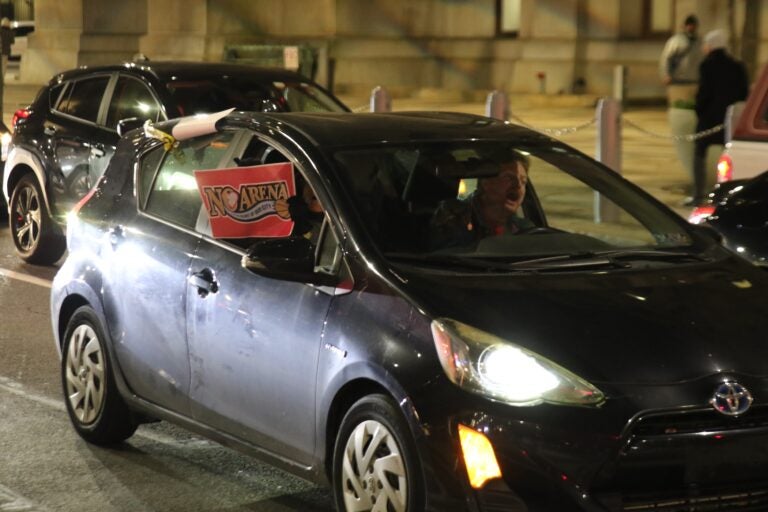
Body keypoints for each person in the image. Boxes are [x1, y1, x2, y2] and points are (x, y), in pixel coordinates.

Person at [686, 29, 749, 206]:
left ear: (711, 46)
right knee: (728, 156)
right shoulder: (737, 66)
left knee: (699, 153)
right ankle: (726, 194)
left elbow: (703, 93)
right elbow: (743, 93)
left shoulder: (707, 65)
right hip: (729, 118)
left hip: (708, 118)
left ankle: (698, 195)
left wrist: (699, 109)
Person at [430, 155, 533, 249]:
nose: (518, 186)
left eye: (523, 181)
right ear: (486, 182)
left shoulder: (525, 229)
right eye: (509, 178)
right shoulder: (453, 220)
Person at [659, 14, 703, 106]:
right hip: (679, 80)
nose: (691, 27)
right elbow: (666, 58)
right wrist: (666, 74)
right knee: (678, 105)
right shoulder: (676, 41)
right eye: (689, 25)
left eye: (693, 25)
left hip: (695, 80)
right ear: (685, 26)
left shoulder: (700, 41)